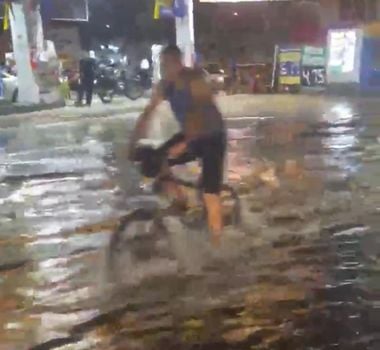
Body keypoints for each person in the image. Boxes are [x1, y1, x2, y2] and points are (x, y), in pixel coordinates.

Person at [129, 45, 226, 243]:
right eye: (162, 65)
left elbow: (202, 113)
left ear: (177, 63)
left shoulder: (193, 79)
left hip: (212, 135)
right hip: (190, 133)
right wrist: (133, 143)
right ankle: (181, 201)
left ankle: (218, 245)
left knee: (210, 194)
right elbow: (148, 113)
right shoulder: (165, 85)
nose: (164, 70)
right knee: (155, 158)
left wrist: (186, 143)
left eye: (167, 65)